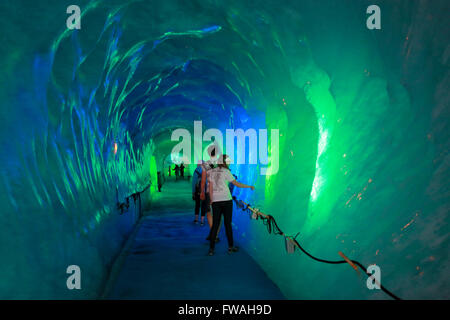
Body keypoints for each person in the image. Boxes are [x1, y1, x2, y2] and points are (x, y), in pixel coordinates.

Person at [207, 154, 255, 256]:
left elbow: (210, 188)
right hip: (226, 200)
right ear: (224, 161)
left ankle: (211, 249)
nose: (229, 162)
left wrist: (211, 200)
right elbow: (236, 184)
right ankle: (230, 247)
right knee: (227, 224)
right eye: (228, 160)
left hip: (216, 201)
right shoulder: (226, 171)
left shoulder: (211, 172)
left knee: (215, 224)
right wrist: (249, 186)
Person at [200, 144, 220, 241]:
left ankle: (213, 234)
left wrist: (202, 192)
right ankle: (215, 235)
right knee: (219, 214)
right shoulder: (221, 163)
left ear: (208, 153)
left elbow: (203, 180)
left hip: (210, 191)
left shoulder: (205, 164)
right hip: (221, 192)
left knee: (209, 213)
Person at [192, 161, 205, 225]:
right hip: (204, 191)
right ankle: (202, 221)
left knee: (197, 205)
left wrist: (193, 192)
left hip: (198, 191)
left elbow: (194, 182)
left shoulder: (196, 170)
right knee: (203, 206)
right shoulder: (206, 170)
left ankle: (196, 220)